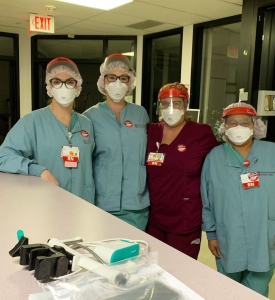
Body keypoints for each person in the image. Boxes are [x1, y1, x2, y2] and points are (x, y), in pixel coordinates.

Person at [201, 102, 275, 297]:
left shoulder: (274, 154)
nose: (238, 127)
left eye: (244, 122)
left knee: (256, 292)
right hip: (228, 238)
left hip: (265, 239)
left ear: (254, 125)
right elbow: (207, 199)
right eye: (232, 123)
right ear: (224, 127)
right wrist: (211, 234)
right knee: (227, 291)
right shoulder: (214, 158)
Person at [0, 57, 95, 204]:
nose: (63, 87)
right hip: (47, 204)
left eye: (69, 81)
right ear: (49, 87)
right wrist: (37, 170)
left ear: (78, 86)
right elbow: (3, 156)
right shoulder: (32, 121)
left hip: (83, 205)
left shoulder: (86, 124)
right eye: (57, 82)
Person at [146, 82, 218, 259]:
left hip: (185, 217)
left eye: (176, 103)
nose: (170, 108)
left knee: (181, 271)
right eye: (165, 103)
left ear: (185, 106)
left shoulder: (201, 133)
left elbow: (220, 165)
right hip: (155, 217)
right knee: (153, 268)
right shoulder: (151, 131)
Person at [83, 53, 150, 230]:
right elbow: (84, 160)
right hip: (102, 204)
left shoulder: (140, 114)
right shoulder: (89, 117)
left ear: (130, 82)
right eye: (112, 78)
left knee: (135, 255)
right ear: (103, 81)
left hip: (136, 204)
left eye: (123, 78)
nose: (117, 83)